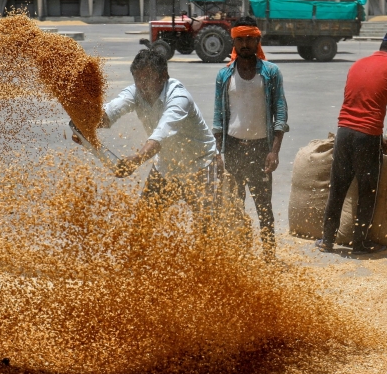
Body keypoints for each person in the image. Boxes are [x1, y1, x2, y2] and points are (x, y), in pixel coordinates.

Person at [79, 48, 218, 210]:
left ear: (164, 75)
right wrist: (84, 123)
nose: (142, 85)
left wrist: (137, 159)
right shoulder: (134, 92)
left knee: (207, 227)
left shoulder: (179, 98)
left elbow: (161, 135)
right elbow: (108, 113)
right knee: (143, 218)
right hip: (167, 165)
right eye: (137, 79)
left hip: (201, 164)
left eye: (148, 78)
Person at [315, 29, 387, 254]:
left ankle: (327, 240)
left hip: (343, 131)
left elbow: (354, 97)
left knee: (338, 187)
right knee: (367, 190)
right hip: (367, 136)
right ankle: (360, 244)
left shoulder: (357, 64)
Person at [212, 16, 289, 256]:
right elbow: (218, 118)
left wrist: (274, 151)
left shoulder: (271, 73)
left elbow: (280, 112)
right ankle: (240, 255)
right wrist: (218, 152)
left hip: (260, 149)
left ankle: (269, 256)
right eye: (240, 39)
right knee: (234, 207)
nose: (245, 44)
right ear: (233, 41)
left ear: (258, 40)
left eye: (249, 39)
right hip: (233, 148)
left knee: (264, 207)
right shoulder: (224, 76)